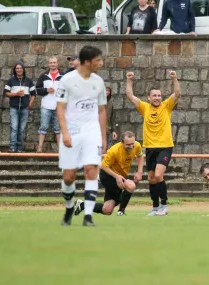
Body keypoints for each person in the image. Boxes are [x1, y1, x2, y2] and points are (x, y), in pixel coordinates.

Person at [58, 46, 107, 227]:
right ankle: (70, 207)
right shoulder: (67, 80)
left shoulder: (99, 82)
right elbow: (60, 108)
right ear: (87, 62)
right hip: (72, 132)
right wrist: (65, 133)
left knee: (91, 170)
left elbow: (102, 110)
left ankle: (88, 216)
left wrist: (103, 138)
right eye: (98, 60)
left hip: (91, 132)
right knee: (69, 176)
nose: (101, 64)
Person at [126, 70, 181, 216]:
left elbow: (177, 94)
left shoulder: (166, 106)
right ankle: (155, 206)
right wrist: (129, 81)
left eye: (159, 96)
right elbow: (130, 96)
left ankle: (164, 205)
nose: (157, 98)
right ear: (149, 98)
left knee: (158, 175)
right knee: (151, 178)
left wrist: (174, 78)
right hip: (150, 147)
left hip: (165, 146)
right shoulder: (145, 107)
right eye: (154, 96)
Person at [74, 131, 144, 217]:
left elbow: (140, 155)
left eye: (132, 144)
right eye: (128, 144)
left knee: (107, 210)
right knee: (130, 185)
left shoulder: (137, 145)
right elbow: (103, 166)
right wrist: (117, 176)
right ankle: (121, 211)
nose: (131, 146)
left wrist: (140, 171)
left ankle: (83, 205)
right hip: (107, 176)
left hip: (119, 176)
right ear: (122, 142)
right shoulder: (114, 151)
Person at [4, 62, 36, 152]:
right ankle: (12, 147)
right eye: (17, 68)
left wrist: (30, 104)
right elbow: (6, 93)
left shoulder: (29, 81)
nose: (19, 70)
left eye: (20, 68)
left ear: (23, 69)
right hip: (14, 108)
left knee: (21, 129)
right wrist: (16, 94)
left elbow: (33, 94)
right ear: (15, 70)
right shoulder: (11, 80)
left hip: (24, 108)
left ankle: (20, 147)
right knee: (14, 127)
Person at [36, 56, 63, 152]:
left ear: (57, 63)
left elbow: (67, 90)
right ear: (49, 64)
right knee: (43, 127)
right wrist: (46, 90)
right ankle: (39, 147)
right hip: (46, 106)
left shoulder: (63, 76)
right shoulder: (43, 76)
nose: (53, 64)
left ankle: (61, 149)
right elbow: (37, 90)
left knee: (58, 128)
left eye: (54, 62)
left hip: (59, 106)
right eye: (51, 62)